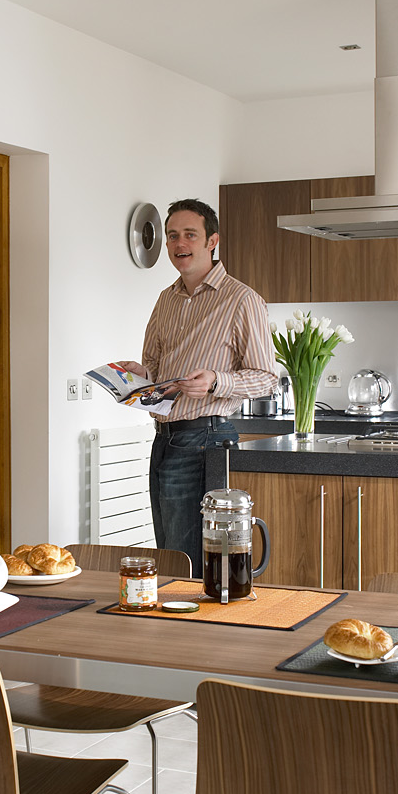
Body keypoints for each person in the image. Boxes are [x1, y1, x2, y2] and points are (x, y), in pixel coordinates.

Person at [117, 198, 278, 576]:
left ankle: (197, 628)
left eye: (190, 234)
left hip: (207, 437)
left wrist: (216, 382)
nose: (179, 243)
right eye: (173, 235)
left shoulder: (241, 300)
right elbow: (157, 369)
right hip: (164, 438)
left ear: (212, 241)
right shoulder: (166, 300)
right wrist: (140, 374)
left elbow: (267, 377)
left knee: (192, 559)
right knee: (172, 553)